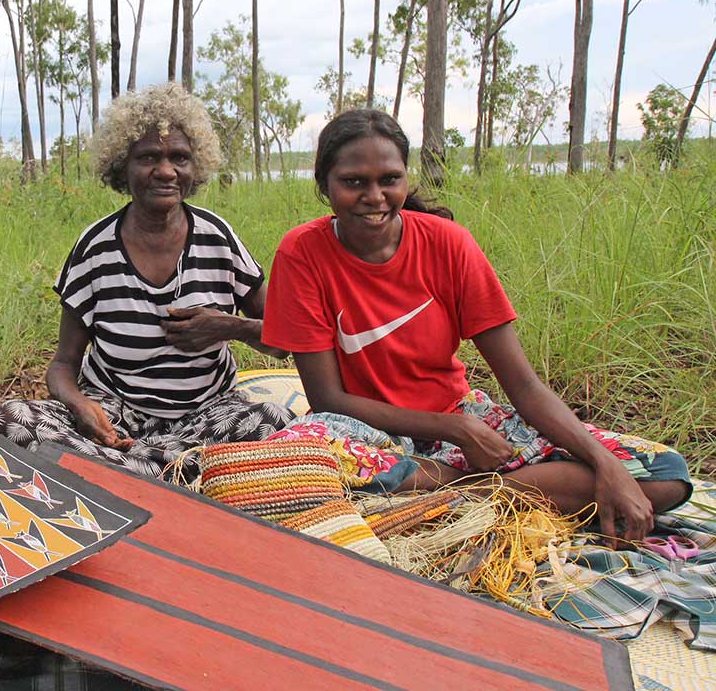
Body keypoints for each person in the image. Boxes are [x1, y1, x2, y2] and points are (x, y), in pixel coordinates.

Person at [262, 108, 691, 546]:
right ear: (324, 186)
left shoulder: (448, 244)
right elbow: (328, 399)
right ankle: (497, 491)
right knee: (294, 463)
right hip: (369, 434)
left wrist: (605, 464)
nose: (374, 196)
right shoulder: (303, 252)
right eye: (354, 182)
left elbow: (523, 385)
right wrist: (455, 432)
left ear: (406, 179)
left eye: (389, 179)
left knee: (665, 475)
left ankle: (458, 496)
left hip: (459, 416)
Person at [0, 83, 292, 479]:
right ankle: (180, 472)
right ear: (122, 167)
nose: (165, 171)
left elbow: (285, 342)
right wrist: (80, 405)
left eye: (179, 158)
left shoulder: (218, 238)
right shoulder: (95, 248)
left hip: (208, 414)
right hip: (115, 414)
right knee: (8, 419)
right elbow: (62, 365)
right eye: (148, 157)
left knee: (273, 419)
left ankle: (128, 474)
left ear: (194, 167)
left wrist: (231, 326)